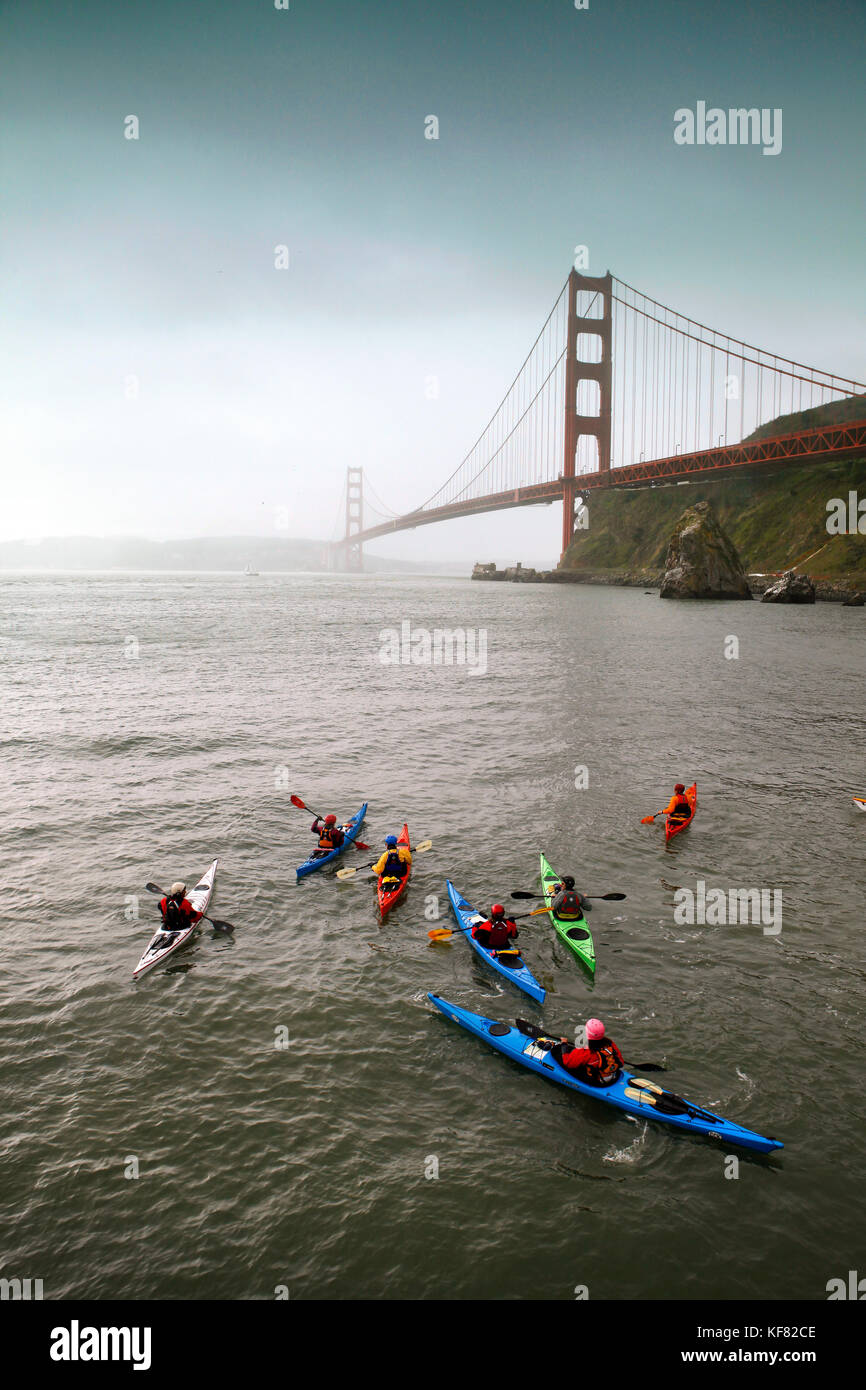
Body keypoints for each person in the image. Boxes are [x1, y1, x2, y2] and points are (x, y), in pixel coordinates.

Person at [551, 1018, 624, 1087]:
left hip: (598, 1081)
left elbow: (567, 1062)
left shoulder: (586, 1051)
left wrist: (564, 1044)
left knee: (556, 1053)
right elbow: (621, 1061)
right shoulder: (610, 1043)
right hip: (614, 1075)